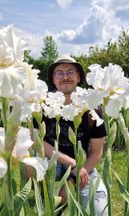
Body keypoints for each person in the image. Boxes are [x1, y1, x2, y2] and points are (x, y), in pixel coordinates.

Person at [40, 54, 108, 215]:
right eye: (60, 73)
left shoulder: (93, 107)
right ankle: (44, 197)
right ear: (53, 79)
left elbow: (97, 152)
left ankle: (62, 200)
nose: (65, 77)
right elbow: (37, 141)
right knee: (31, 166)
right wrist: (71, 162)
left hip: (84, 166)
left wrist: (73, 178)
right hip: (53, 162)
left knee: (99, 212)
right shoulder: (43, 103)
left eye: (70, 72)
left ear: (78, 77)